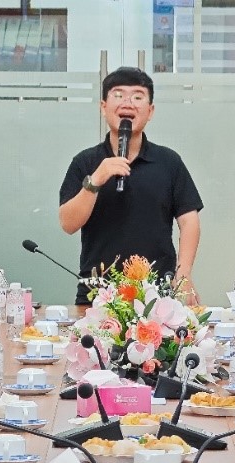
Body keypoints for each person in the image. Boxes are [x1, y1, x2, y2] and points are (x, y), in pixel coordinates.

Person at [59, 67, 203, 305]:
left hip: (157, 294)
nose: (127, 102)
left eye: (137, 96)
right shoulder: (85, 162)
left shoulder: (168, 162)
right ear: (103, 107)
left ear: (150, 111)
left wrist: (184, 272)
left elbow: (189, 220)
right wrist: (95, 181)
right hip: (98, 293)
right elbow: (68, 223)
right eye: (118, 95)